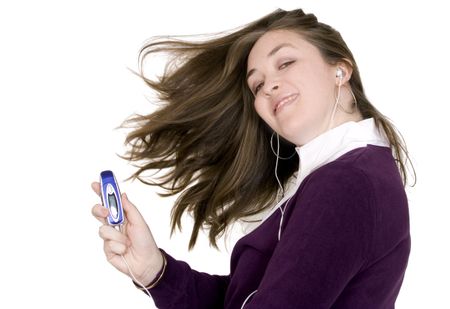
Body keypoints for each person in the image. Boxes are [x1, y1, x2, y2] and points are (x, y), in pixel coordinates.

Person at [91, 8, 415, 308]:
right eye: (257, 85)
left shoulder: (345, 184)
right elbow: (240, 299)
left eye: (285, 63)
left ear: (340, 70)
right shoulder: (347, 174)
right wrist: (154, 271)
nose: (270, 85)